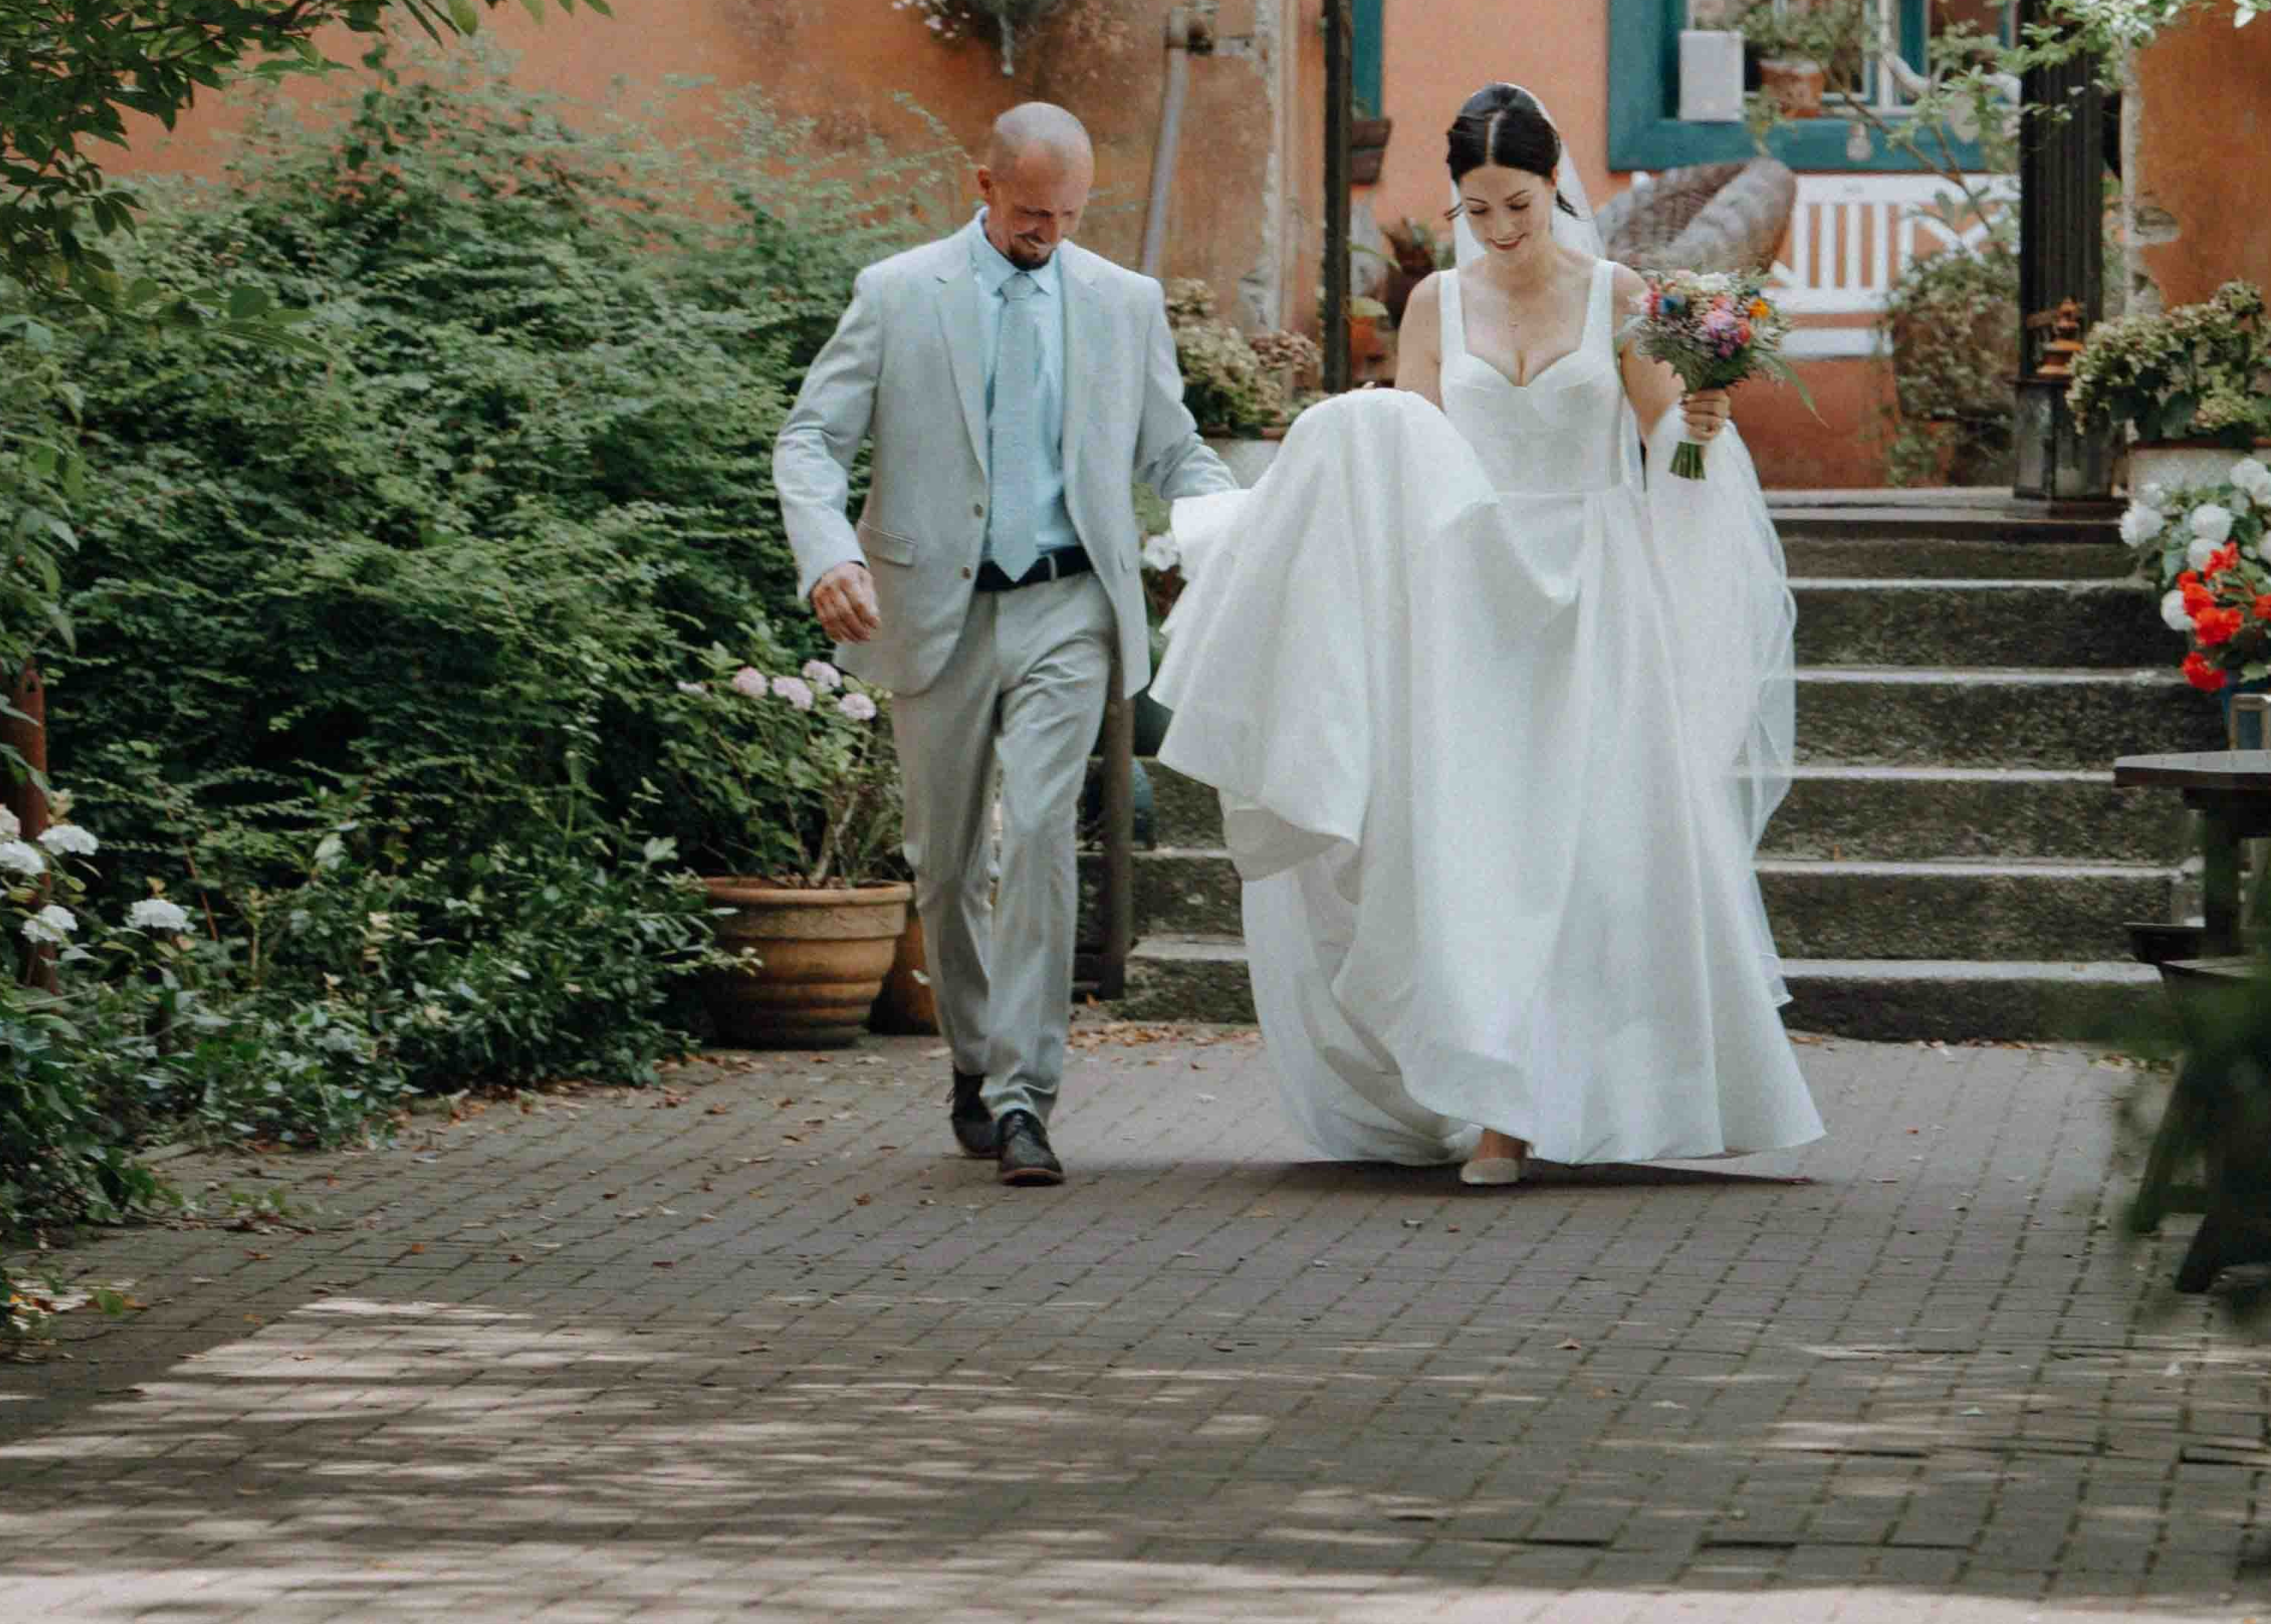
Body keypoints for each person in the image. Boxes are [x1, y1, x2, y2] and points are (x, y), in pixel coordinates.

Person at [1152, 83, 1821, 1183]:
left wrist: (1706, 425)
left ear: (1553, 182)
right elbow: (1413, 451)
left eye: (1517, 203)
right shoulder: (1433, 306)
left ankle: (1565, 1100)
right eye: (1478, 210)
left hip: (1595, 592)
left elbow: (1674, 464)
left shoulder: (1618, 296)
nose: (1502, 230)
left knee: (1591, 855)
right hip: (1474, 595)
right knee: (1479, 854)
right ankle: (1490, 1099)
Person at [774, 102, 1236, 1187]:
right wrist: (825, 554)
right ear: (981, 182)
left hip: (1070, 602)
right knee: (944, 861)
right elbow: (811, 438)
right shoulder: (897, 293)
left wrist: (1230, 522)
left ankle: (1027, 1094)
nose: (1048, 231)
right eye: (1031, 211)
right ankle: (977, 1059)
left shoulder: (1124, 302)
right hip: (930, 606)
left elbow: (1174, 450)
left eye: (1068, 214)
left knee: (1035, 830)